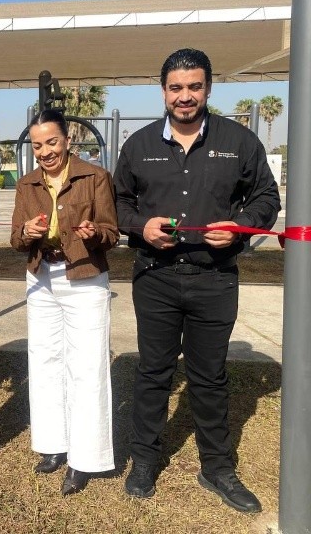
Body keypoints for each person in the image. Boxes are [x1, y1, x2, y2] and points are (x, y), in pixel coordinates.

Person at [114, 48, 280, 513]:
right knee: (153, 372)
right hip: (156, 276)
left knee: (209, 377)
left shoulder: (239, 141)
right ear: (163, 90)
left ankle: (217, 468)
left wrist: (241, 226)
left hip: (215, 277)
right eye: (176, 87)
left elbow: (266, 197)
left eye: (194, 86)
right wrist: (140, 226)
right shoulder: (138, 145)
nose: (184, 96)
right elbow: (119, 203)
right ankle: (145, 459)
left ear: (208, 88)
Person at [10, 109, 119, 496]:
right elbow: (16, 239)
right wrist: (27, 231)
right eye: (38, 145)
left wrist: (94, 233)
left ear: (68, 141)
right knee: (45, 361)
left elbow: (112, 233)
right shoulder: (26, 185)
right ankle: (53, 443)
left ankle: (85, 457)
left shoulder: (95, 177)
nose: (45, 152)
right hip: (41, 277)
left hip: (85, 276)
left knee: (87, 366)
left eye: (52, 142)